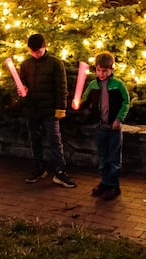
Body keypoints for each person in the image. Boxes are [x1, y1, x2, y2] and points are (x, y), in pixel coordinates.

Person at [18, 33, 76, 188]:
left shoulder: (55, 63)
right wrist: (22, 89)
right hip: (33, 109)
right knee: (34, 140)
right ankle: (39, 167)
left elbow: (61, 87)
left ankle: (60, 171)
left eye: (38, 51)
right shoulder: (25, 64)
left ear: (45, 47)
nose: (35, 55)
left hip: (50, 110)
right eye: (32, 52)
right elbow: (22, 82)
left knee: (54, 140)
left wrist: (60, 108)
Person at [81, 52, 130, 200]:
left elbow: (126, 102)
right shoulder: (93, 85)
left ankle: (114, 186)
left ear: (111, 70)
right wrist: (77, 103)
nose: (101, 74)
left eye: (105, 71)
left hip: (114, 129)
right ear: (95, 69)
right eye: (99, 70)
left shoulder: (118, 85)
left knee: (113, 159)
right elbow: (85, 99)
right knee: (102, 157)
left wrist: (119, 119)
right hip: (101, 128)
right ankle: (105, 182)